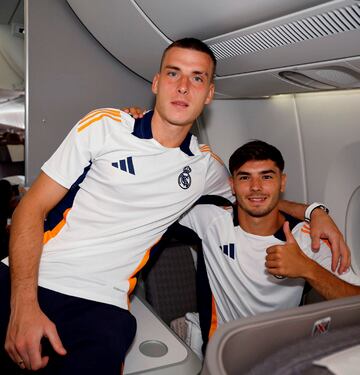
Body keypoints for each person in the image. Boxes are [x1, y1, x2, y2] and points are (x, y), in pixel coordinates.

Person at [0, 39, 348, 374]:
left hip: (103, 303)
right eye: (173, 73)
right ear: (156, 82)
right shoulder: (104, 127)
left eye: (197, 78)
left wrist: (314, 211)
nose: (183, 86)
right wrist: (24, 306)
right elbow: (30, 209)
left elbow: (254, 196)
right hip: (36, 273)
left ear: (209, 94)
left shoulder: (206, 167)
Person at [178, 140, 360, 345]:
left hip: (282, 351)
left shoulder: (308, 237)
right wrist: (138, 126)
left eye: (266, 176)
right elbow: (149, 209)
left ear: (282, 182)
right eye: (245, 177)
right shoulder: (210, 221)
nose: (256, 187)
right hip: (224, 350)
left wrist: (308, 268)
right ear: (232, 185)